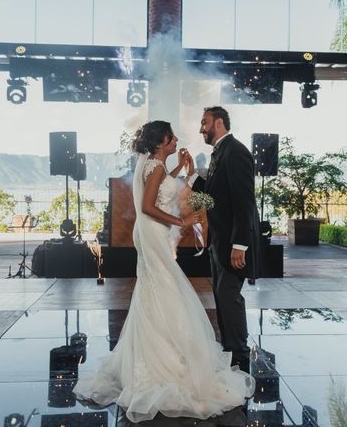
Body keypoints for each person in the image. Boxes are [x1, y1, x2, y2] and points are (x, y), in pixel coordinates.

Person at [74, 120, 254, 423]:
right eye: (172, 137)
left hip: (149, 233)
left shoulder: (154, 165)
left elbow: (158, 188)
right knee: (165, 287)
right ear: (162, 142)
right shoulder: (155, 167)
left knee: (156, 289)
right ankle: (168, 355)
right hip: (155, 232)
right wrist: (180, 222)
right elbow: (148, 205)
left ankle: (157, 349)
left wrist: (181, 170)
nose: (177, 140)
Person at [187, 106, 261, 374]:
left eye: (204, 122)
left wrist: (239, 244)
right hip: (219, 241)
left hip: (231, 243)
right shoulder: (221, 152)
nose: (201, 128)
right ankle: (231, 350)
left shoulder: (236, 151)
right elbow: (211, 199)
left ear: (219, 122)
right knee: (222, 294)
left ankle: (239, 356)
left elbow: (244, 201)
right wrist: (193, 174)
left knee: (229, 296)